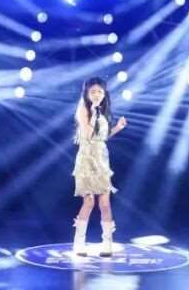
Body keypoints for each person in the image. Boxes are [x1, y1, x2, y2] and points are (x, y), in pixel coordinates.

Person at [72, 77, 127, 257]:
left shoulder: (101, 113)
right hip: (87, 159)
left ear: (105, 94)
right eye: (93, 92)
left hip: (102, 159)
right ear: (87, 94)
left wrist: (117, 128)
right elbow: (88, 134)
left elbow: (102, 137)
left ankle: (107, 243)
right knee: (89, 201)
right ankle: (79, 243)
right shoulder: (84, 109)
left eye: (100, 92)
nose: (97, 95)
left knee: (105, 202)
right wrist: (93, 111)